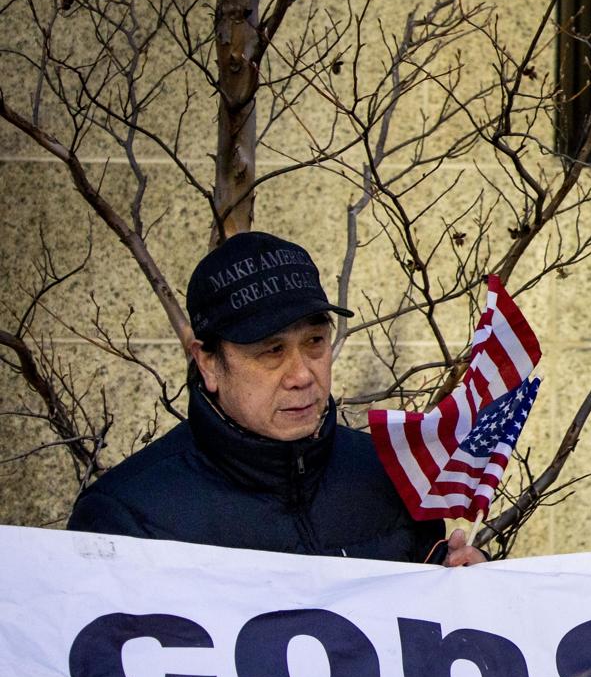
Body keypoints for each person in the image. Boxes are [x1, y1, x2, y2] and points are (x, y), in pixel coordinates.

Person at [68, 231, 482, 565]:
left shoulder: (392, 473)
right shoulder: (127, 517)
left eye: (315, 342)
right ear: (209, 363)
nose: (302, 375)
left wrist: (464, 584)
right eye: (272, 351)